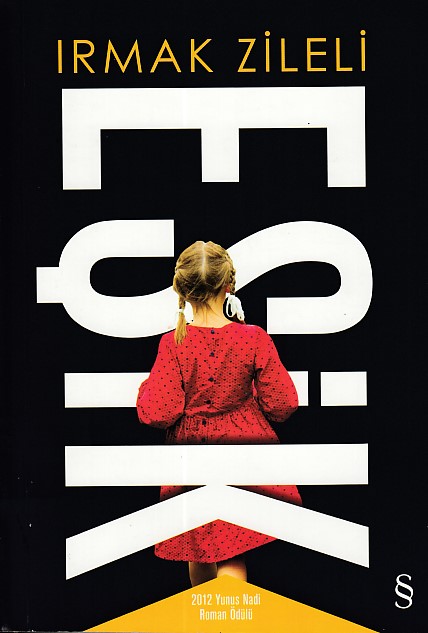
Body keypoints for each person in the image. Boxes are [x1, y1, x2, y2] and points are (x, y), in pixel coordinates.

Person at [137, 240, 301, 586]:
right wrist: (249, 396)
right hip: (243, 450)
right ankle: (231, 617)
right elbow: (283, 403)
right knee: (231, 551)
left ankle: (206, 617)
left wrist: (145, 388)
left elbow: (159, 411)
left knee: (199, 547)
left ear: (181, 290)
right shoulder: (253, 338)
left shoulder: (173, 343)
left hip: (191, 456)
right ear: (229, 284)